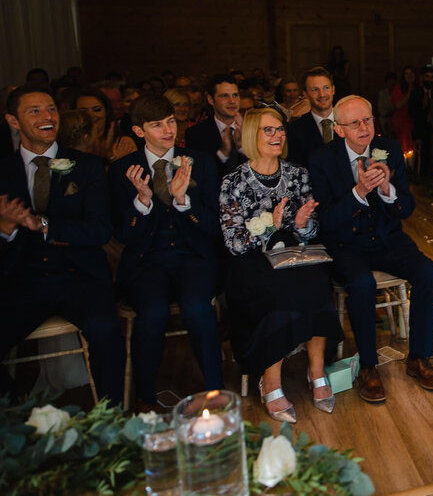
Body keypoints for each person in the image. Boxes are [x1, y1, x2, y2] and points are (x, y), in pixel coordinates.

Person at [310, 96, 433, 404]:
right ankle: (369, 366)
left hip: (386, 239)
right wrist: (358, 193)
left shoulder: (390, 150)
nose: (364, 128)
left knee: (427, 273)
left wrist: (386, 191)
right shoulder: (321, 159)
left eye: (367, 120)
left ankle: (419, 358)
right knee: (360, 284)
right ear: (340, 129)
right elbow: (326, 221)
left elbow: (406, 208)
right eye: (354, 123)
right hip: (345, 244)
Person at [0, 86, 125, 403]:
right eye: (35, 111)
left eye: (51, 108)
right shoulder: (3, 172)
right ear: (13, 121)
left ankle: (112, 418)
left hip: (79, 276)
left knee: (106, 329)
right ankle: (15, 419)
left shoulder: (87, 167)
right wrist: (6, 228)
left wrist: (42, 225)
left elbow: (100, 230)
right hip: (22, 280)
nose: (47, 117)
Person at [218, 108, 343, 423]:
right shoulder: (233, 181)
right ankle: (270, 379)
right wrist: (269, 229)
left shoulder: (298, 174)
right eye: (268, 131)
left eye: (280, 130)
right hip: (251, 259)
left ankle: (316, 371)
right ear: (251, 136)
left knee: (317, 280)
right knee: (277, 288)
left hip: (293, 252)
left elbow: (311, 230)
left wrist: (301, 224)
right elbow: (233, 242)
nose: (278, 136)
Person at [110, 94, 223, 410]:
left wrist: (184, 202)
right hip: (147, 260)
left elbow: (214, 226)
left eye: (171, 121)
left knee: (198, 309)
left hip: (194, 257)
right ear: (139, 131)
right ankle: (146, 396)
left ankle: (216, 392)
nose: (167, 129)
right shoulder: (123, 170)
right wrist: (143, 202)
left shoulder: (201, 161)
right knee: (152, 313)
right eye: (157, 124)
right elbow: (122, 234)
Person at [185, 74, 244, 177]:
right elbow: (197, 174)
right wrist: (223, 153)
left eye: (235, 95)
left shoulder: (254, 129)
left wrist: (241, 147)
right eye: (224, 96)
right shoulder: (195, 134)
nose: (232, 101)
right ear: (211, 99)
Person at [69, 87, 137, 162]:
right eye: (83, 111)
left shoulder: (124, 143)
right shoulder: (69, 145)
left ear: (106, 111)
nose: (91, 115)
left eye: (96, 110)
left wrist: (112, 157)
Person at [286, 67, 337, 166]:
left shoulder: (350, 122)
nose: (322, 94)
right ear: (305, 94)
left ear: (333, 90)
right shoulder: (296, 129)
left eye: (326, 88)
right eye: (315, 90)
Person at [390, 66, 416, 153]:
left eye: (411, 73)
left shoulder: (419, 87)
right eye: (407, 73)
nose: (409, 75)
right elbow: (398, 105)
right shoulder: (398, 88)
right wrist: (409, 93)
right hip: (401, 120)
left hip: (414, 119)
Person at [376, 71, 396, 136]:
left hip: (396, 120)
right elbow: (381, 110)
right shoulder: (382, 94)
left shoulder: (397, 93)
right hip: (384, 120)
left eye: (393, 82)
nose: (391, 84)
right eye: (389, 81)